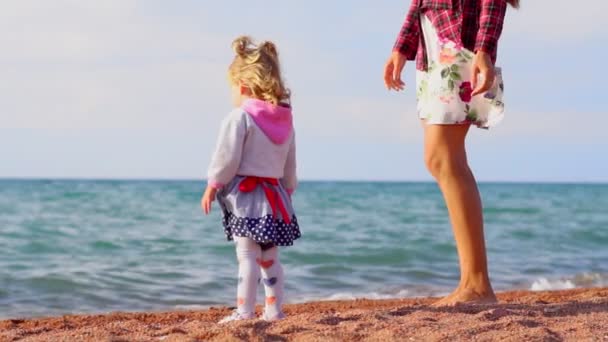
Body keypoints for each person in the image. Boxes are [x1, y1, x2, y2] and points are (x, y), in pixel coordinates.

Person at [383, 0, 518, 306]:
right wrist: (402, 47)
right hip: (431, 48)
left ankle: (478, 285)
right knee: (439, 158)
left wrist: (483, 48)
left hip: (459, 46)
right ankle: (471, 281)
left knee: (445, 157)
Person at [202, 36, 300, 322]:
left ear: (243, 86)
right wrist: (288, 189)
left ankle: (244, 312)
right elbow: (290, 163)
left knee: (246, 256)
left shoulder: (240, 117)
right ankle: (274, 311)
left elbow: (227, 157)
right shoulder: (285, 119)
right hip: (275, 196)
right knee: (270, 258)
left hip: (247, 197)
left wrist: (213, 184)